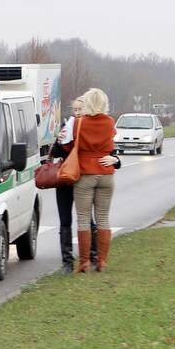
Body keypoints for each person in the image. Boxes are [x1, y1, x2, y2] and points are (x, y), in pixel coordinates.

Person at [51, 98, 120, 272]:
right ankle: (67, 261)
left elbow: (108, 152)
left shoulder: (85, 126)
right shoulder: (69, 127)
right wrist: (59, 141)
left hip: (85, 177)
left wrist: (116, 160)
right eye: (74, 109)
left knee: (88, 220)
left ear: (88, 108)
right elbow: (56, 153)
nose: (77, 112)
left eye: (80, 108)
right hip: (68, 177)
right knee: (65, 220)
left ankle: (93, 257)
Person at [71, 88, 117, 273]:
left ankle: (84, 262)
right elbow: (112, 143)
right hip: (106, 173)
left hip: (85, 173)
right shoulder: (110, 122)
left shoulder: (79, 123)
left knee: (83, 219)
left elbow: (69, 144)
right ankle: (102, 261)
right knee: (103, 218)